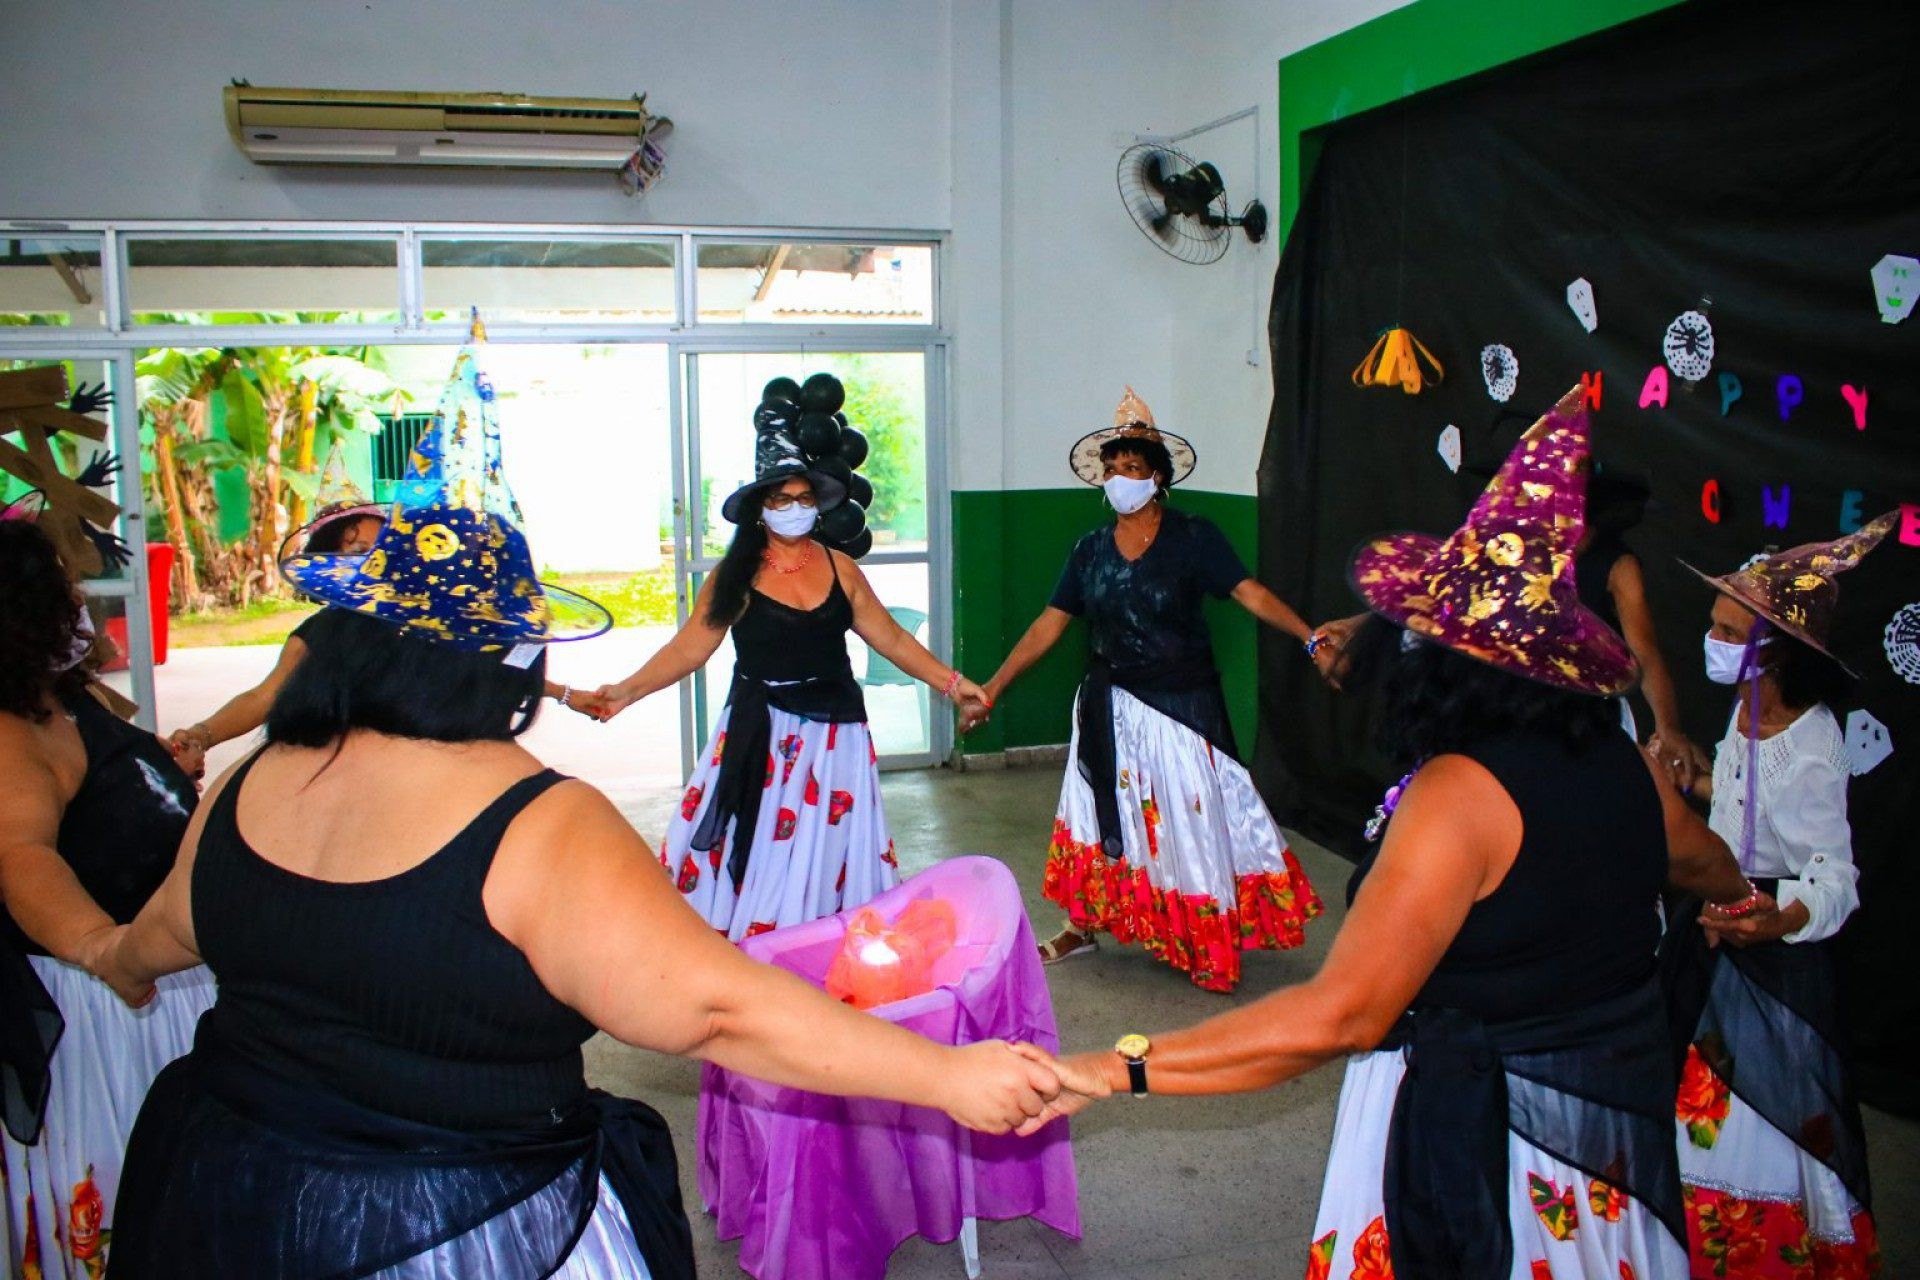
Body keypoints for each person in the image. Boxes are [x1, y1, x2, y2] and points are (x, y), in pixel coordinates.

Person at [91, 393, 1061, 1280]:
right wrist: (945, 1073)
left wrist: (105, 954)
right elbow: (716, 1010)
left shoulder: (243, 786)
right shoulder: (543, 822)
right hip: (461, 1213)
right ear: (517, 658)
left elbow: (152, 941)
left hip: (227, 1188)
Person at [1011, 387, 1758, 1278]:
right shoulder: (1626, 763)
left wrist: (1114, 1068)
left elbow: (1340, 1014)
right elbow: (1709, 865)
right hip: (1608, 1141)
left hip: (1486, 1143)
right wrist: (1747, 906)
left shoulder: (1456, 796)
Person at [966, 387, 1327, 991]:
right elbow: (1049, 624)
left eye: (1130, 469)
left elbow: (1248, 592)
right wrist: (995, 687)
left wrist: (1310, 635)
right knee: (1096, 815)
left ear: (1157, 478)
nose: (1118, 480)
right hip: (1109, 707)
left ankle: (1203, 937)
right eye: (1110, 471)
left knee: (1187, 822)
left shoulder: (1195, 537)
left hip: (1181, 709)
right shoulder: (1089, 551)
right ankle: (1086, 924)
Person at [591, 427, 988, 939]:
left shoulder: (839, 567)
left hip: (835, 734)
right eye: (783, 499)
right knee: (756, 842)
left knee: (827, 845)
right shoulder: (736, 574)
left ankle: (817, 941)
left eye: (804, 499)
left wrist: (953, 682)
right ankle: (759, 944)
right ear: (762, 508)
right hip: (763, 732)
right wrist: (624, 692)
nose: (795, 508)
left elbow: (889, 637)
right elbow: (689, 648)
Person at [1658, 517, 1893, 1277]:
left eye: (1731, 629)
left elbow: (1834, 876)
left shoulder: (1813, 741)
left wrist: (1781, 915)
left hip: (1768, 954)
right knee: (1694, 1106)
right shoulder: (1745, 710)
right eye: (1715, 624)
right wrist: (1684, 780)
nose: (1714, 638)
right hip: (1714, 932)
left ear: (1777, 648)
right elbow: (1734, 812)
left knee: (1758, 1125)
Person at [0, 512, 216, 1280]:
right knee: (122, 1199)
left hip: (151, 984)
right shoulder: (10, 728)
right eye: (60, 585)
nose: (77, 598)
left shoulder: (56, 696)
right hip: (99, 1006)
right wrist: (106, 951)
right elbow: (19, 856)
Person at [1572, 465, 1709, 775]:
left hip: (1591, 706)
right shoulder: (1526, 551)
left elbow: (1644, 653)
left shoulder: (1619, 566)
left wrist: (1668, 728)